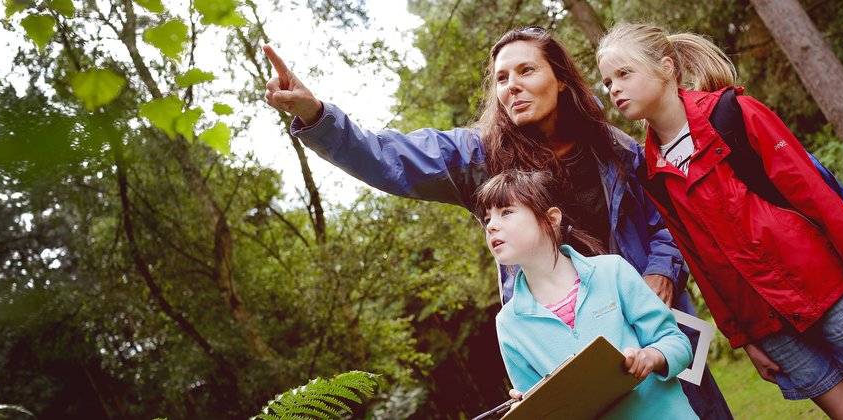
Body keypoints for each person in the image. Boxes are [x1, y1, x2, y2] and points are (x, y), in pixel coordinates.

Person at [263, 26, 732, 418]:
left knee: (698, 410)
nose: (512, 85)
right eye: (502, 77)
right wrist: (314, 115)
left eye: (526, 70)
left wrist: (661, 269)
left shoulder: (613, 147)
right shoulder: (478, 157)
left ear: (561, 79)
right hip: (560, 338)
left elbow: (667, 214)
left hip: (647, 315)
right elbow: (390, 158)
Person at [596, 23, 843, 419]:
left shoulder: (735, 114)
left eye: (624, 74)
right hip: (771, 330)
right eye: (607, 82)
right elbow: (701, 263)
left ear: (667, 67)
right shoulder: (652, 173)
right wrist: (745, 339)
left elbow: (815, 194)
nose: (614, 89)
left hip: (827, 292)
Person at [478, 170, 696, 419]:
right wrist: (527, 410)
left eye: (506, 212)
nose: (492, 226)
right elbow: (543, 408)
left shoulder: (612, 271)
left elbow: (678, 344)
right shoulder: (508, 325)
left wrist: (651, 357)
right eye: (487, 219)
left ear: (551, 219)